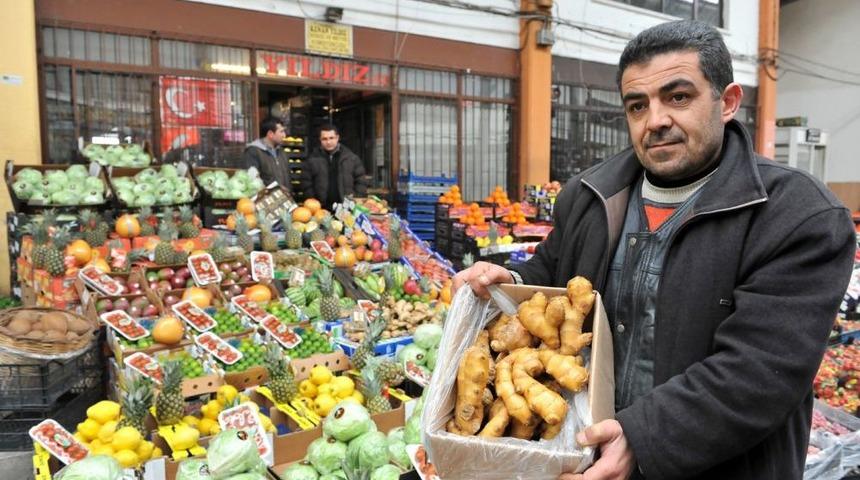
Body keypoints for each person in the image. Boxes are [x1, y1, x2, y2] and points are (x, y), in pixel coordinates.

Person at [453, 20, 855, 480]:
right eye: (638, 105)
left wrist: (640, 438)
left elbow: (760, 372)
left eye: (678, 97)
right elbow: (550, 273)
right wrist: (509, 284)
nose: (656, 120)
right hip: (583, 459)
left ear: (727, 103)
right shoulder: (590, 196)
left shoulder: (796, 215)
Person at [303, 124, 369, 209]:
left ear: (337, 138)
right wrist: (314, 202)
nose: (328, 142)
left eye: (331, 138)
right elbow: (306, 183)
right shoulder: (312, 159)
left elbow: (361, 182)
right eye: (324, 139)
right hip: (321, 210)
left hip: (347, 209)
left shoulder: (351, 158)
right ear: (320, 140)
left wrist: (354, 201)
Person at [241, 117, 291, 193]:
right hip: (264, 201)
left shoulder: (282, 152)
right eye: (281, 132)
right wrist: (275, 188)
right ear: (270, 134)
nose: (284, 135)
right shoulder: (253, 151)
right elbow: (253, 179)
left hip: (283, 200)